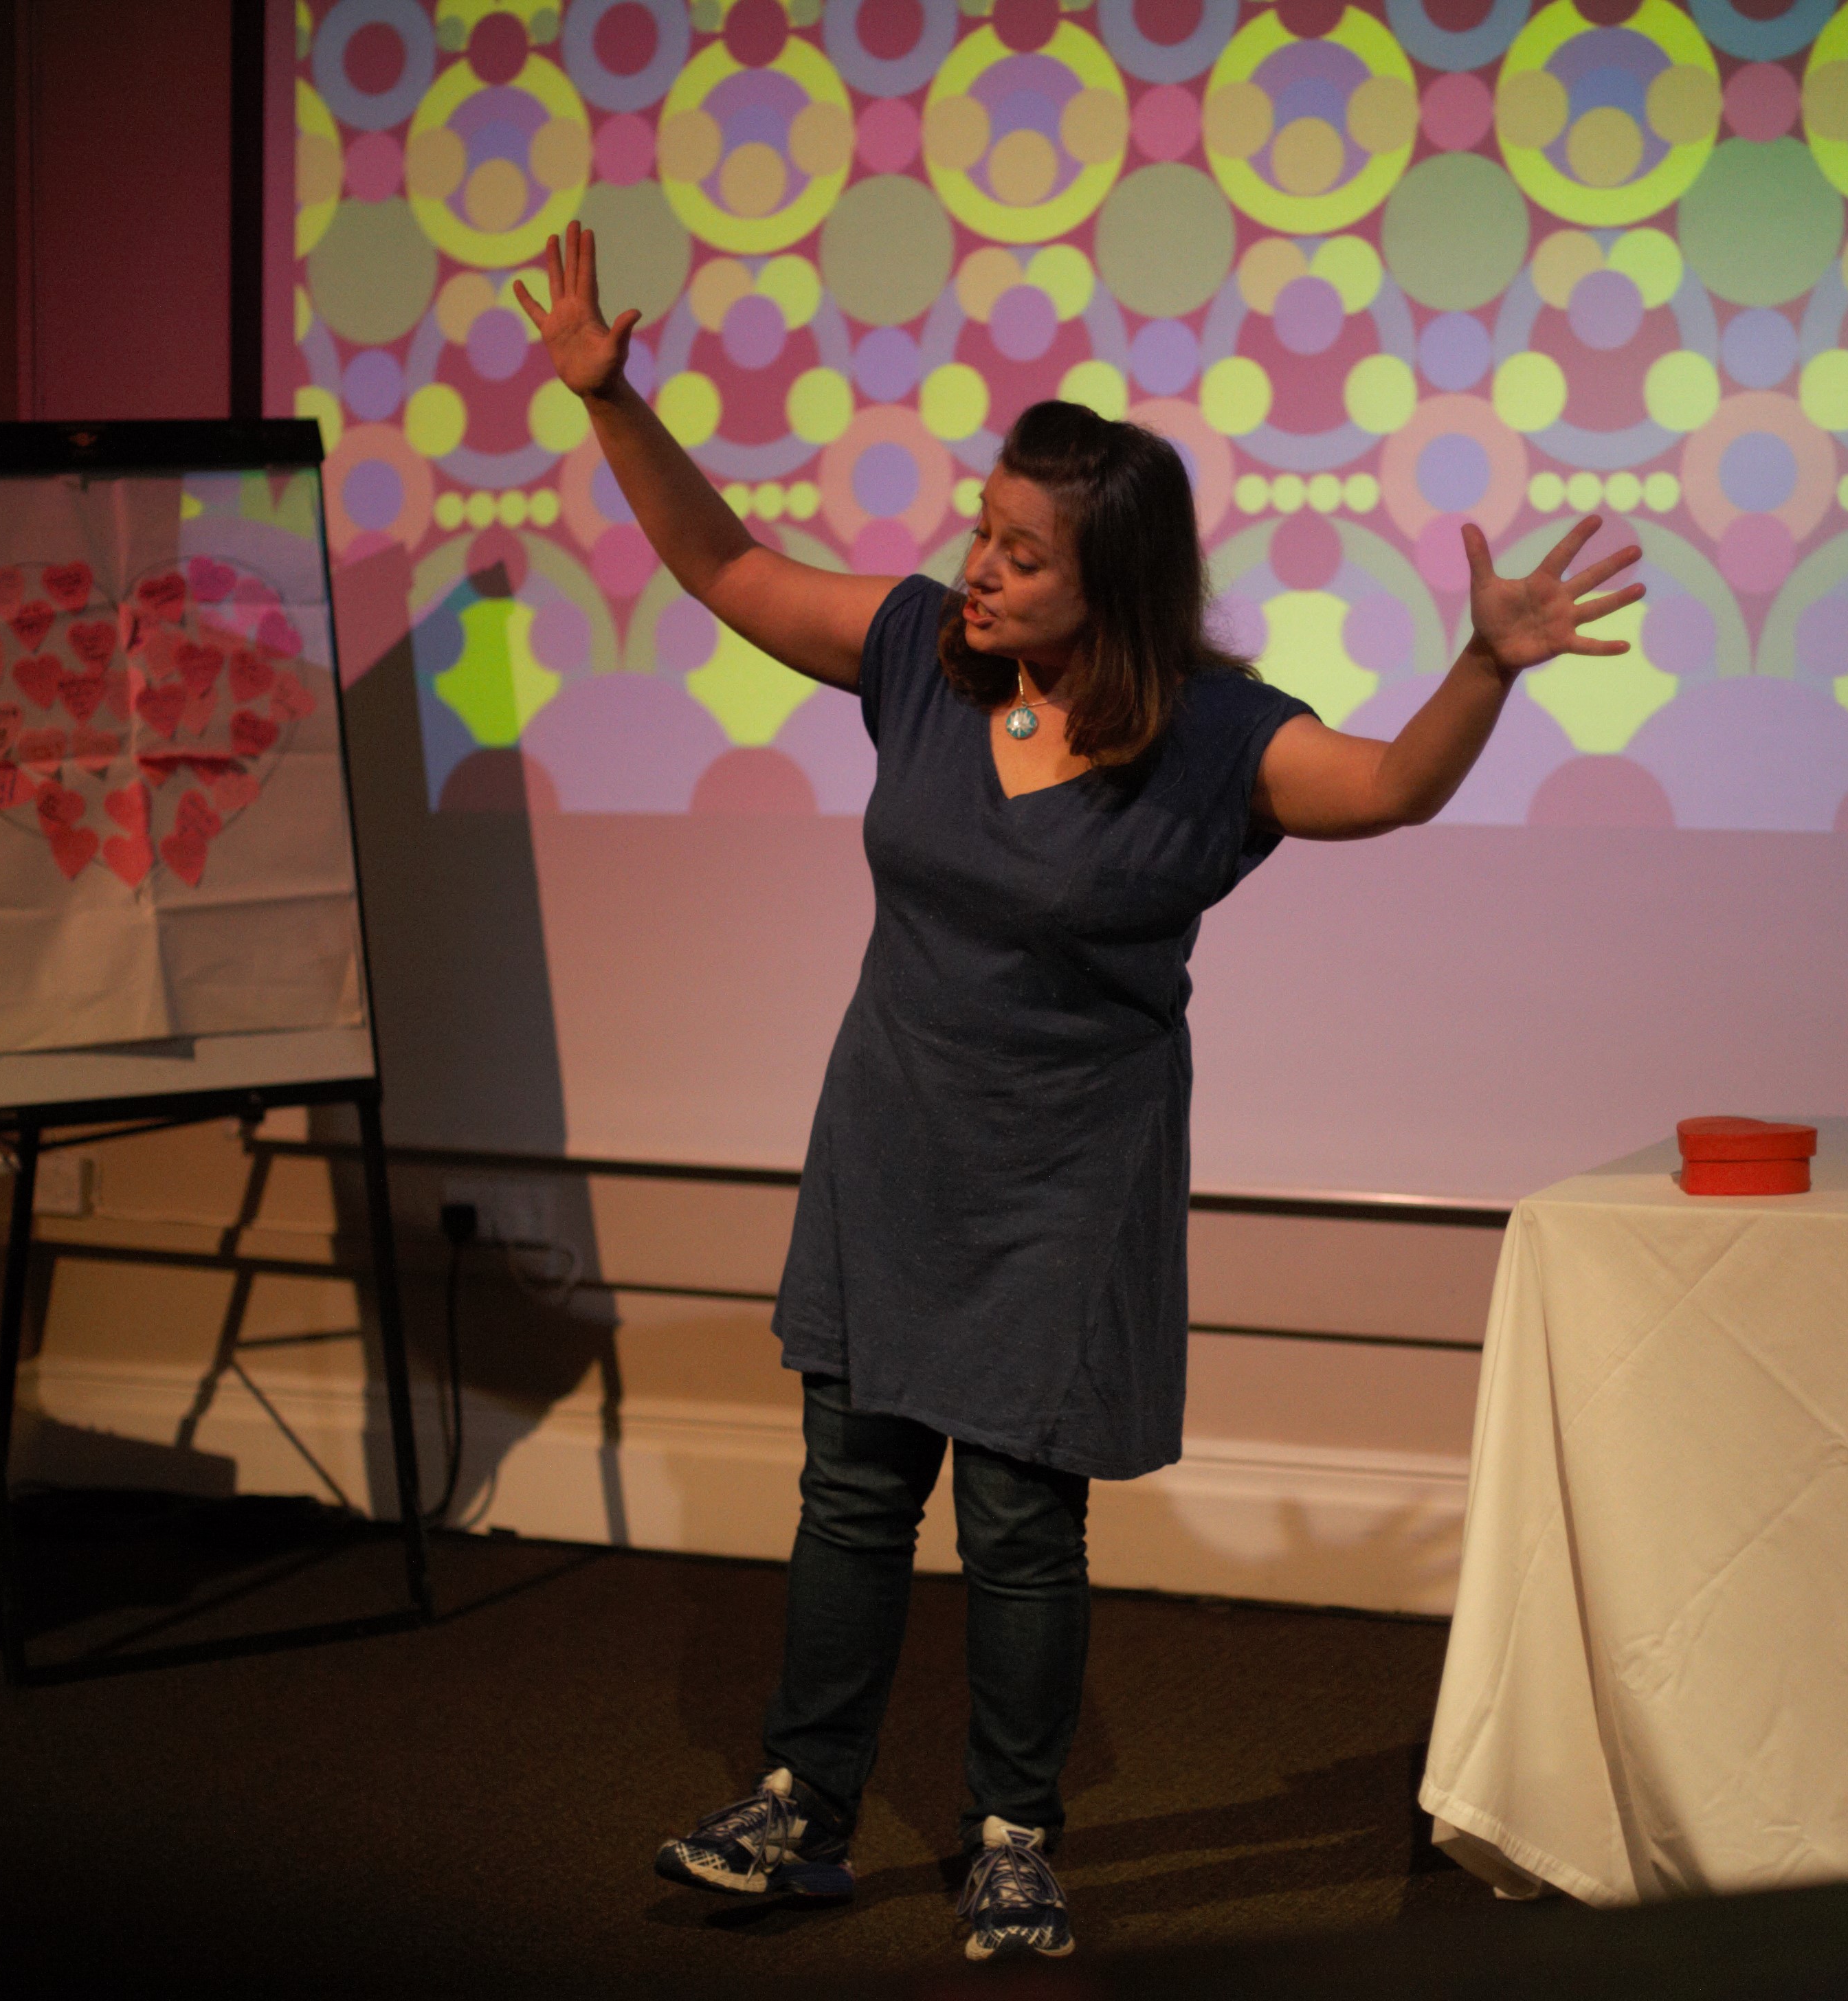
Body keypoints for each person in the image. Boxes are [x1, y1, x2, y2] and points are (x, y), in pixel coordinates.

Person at [515, 224, 1641, 1963]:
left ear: (1107, 582)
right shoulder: (921, 655)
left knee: (1021, 1525)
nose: (977, 568)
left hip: (1066, 1180)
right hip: (893, 1145)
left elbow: (1389, 788)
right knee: (849, 1491)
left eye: (1019, 554)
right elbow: (727, 565)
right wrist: (613, 400)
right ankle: (802, 1806)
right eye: (981, 530)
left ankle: (1012, 1841)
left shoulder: (1212, 739)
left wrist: (1482, 665)